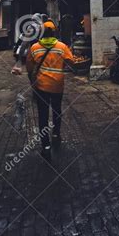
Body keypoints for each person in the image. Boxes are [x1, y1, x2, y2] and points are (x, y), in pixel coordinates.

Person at [26, 20, 75, 159]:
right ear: (54, 32)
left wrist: (32, 80)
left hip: (41, 86)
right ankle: (56, 133)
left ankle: (46, 146)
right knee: (57, 110)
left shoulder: (35, 47)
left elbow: (29, 68)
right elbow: (71, 62)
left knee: (42, 115)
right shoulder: (62, 46)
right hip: (57, 85)